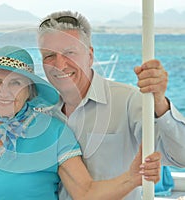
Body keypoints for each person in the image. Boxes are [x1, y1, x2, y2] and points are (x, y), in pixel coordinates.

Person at [0, 46, 161, 200]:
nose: (4, 91)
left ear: (30, 91)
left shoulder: (54, 132)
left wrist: (132, 178)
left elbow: (86, 192)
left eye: (16, 82)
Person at [37, 10, 185, 199]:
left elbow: (181, 157)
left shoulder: (128, 101)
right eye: (49, 56)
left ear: (90, 55)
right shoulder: (42, 112)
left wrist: (160, 103)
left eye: (69, 52)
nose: (59, 64)